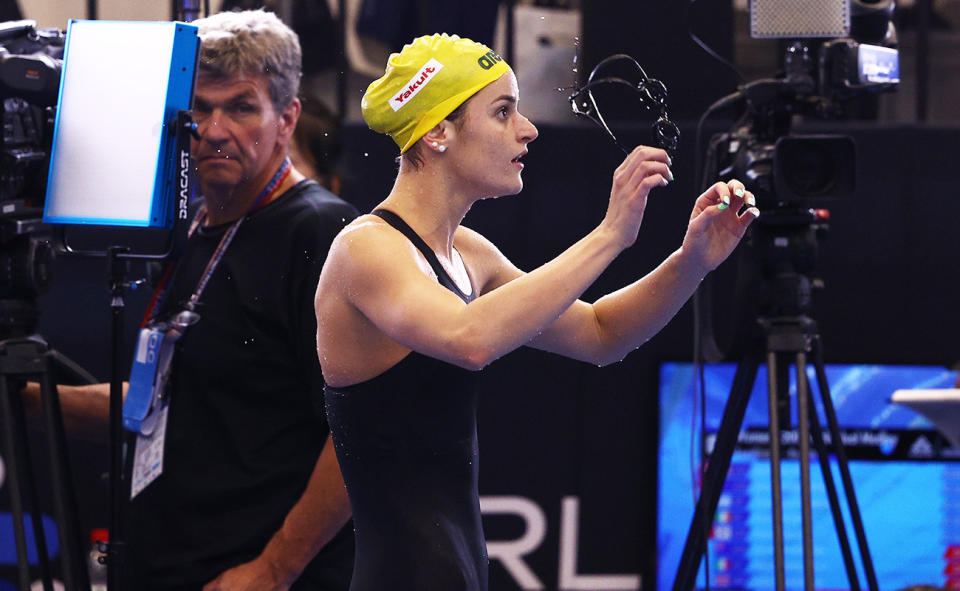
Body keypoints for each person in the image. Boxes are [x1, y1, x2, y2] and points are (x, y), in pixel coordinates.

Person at [314, 33, 760, 590]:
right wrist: (610, 235)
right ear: (437, 132)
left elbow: (601, 334)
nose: (528, 128)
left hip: (457, 571)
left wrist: (692, 260)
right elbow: (469, 339)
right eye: (503, 112)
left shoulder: (468, 254)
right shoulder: (367, 249)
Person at [28, 9, 357, 590]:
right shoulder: (199, 224)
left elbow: (359, 435)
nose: (213, 129)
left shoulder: (320, 233)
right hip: (171, 564)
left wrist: (274, 570)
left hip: (250, 575)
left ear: (288, 119)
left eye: (241, 107)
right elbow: (168, 401)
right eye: (199, 109)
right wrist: (28, 400)